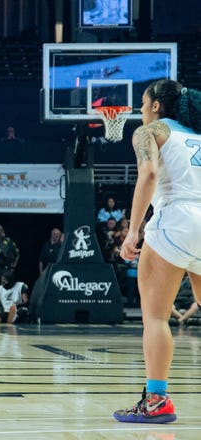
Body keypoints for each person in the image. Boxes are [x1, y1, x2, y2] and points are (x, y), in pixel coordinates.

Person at [113, 79, 201, 424]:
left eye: (141, 103)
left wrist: (132, 231)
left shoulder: (150, 131)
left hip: (176, 221)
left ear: (155, 107)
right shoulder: (197, 135)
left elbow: (148, 174)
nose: (139, 110)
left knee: (155, 316)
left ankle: (156, 400)